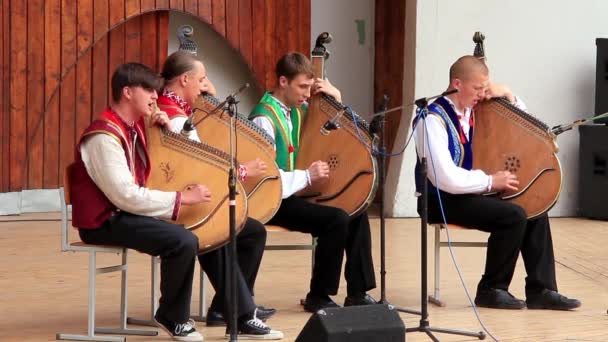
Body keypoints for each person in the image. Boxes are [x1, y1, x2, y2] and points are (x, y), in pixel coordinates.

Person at [413, 55, 581, 310]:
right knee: (513, 215)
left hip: (473, 192)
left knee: (534, 206)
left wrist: (510, 96)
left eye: (485, 88)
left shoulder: (476, 110)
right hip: (441, 199)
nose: (483, 94)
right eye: (478, 88)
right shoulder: (431, 119)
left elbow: (525, 128)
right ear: (457, 84)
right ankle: (491, 289)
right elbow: (444, 177)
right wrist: (491, 181)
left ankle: (541, 289)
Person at [71, 62, 205, 341]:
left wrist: (163, 131)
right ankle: (173, 316)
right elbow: (125, 195)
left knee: (199, 229)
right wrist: (182, 198)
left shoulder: (133, 126)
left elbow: (158, 171)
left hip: (122, 214)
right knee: (182, 241)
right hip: (104, 221)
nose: (156, 97)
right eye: (148, 90)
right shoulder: (103, 136)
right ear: (128, 92)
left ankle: (233, 309)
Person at [158, 50, 283, 339]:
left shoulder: (180, 109)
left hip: (194, 198)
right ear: (185, 79)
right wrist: (240, 172)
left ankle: (228, 307)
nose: (204, 85)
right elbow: (197, 168)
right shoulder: (174, 118)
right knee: (223, 230)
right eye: (201, 80)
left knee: (250, 231)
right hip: (179, 202)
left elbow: (201, 162)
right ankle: (240, 313)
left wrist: (209, 98)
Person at [249, 52, 377, 312]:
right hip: (274, 197)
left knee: (356, 209)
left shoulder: (299, 110)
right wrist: (307, 176)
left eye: (310, 87)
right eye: (302, 87)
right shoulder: (263, 118)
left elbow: (335, 128)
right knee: (336, 220)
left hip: (298, 190)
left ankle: (357, 291)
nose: (307, 94)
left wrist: (336, 98)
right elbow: (266, 176)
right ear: (283, 82)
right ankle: (318, 295)